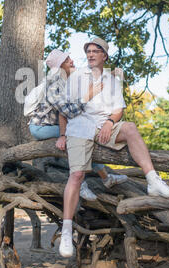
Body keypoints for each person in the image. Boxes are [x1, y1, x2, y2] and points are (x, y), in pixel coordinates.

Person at [59, 37, 169, 258]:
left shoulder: (113, 80)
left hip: (105, 127)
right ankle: (67, 231)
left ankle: (153, 181)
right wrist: (63, 134)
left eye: (96, 51)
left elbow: (118, 110)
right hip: (80, 128)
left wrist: (110, 122)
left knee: (131, 128)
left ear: (105, 56)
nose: (91, 54)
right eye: (88, 51)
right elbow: (64, 109)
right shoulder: (75, 77)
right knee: (76, 176)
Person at [28, 49, 128, 200]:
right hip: (41, 127)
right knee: (78, 136)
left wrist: (110, 75)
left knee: (84, 134)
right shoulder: (54, 84)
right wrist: (63, 135)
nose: (72, 61)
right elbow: (67, 111)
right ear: (59, 66)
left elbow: (91, 77)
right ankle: (82, 185)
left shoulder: (72, 78)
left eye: (70, 57)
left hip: (57, 125)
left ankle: (106, 178)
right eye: (67, 60)